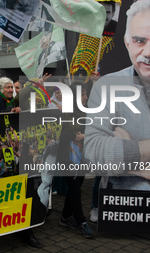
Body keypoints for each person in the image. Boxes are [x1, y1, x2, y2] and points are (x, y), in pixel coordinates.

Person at [84, 0, 150, 191]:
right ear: (127, 43)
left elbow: (110, 158)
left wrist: (128, 160)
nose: (148, 52)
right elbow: (94, 151)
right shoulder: (107, 86)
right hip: (120, 214)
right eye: (139, 40)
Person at [58, 81, 93, 238]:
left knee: (76, 186)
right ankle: (81, 222)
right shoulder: (64, 112)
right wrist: (74, 136)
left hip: (82, 156)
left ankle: (65, 217)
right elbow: (57, 135)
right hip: (68, 157)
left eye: (86, 94)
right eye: (82, 95)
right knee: (75, 189)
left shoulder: (86, 111)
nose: (85, 97)